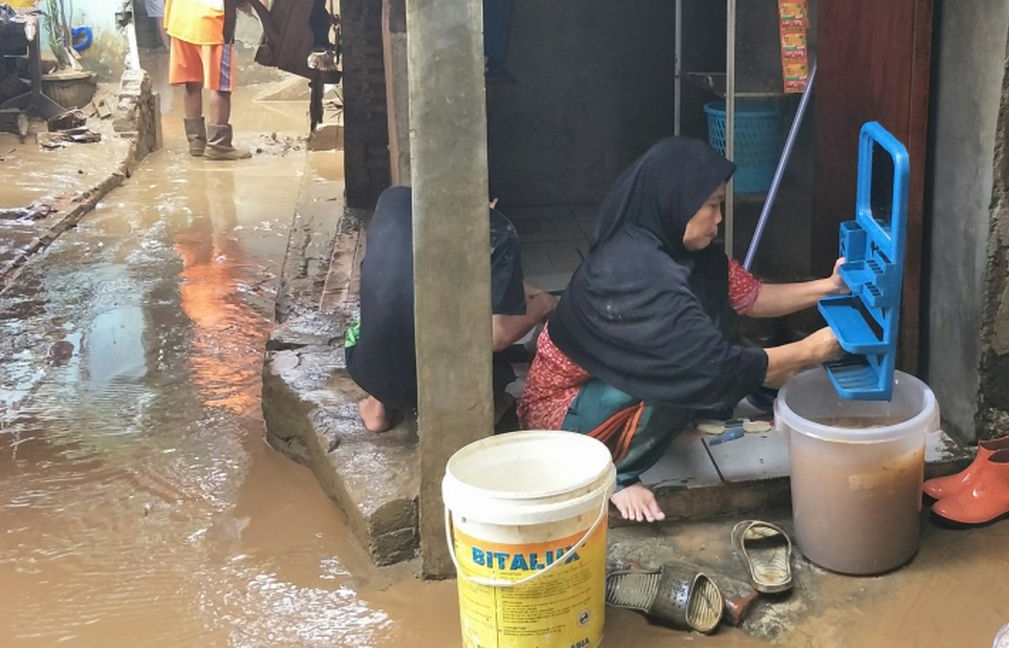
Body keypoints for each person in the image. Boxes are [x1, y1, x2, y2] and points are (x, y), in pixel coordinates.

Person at [518, 137, 847, 522]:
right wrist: (811, 350)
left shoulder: (684, 251)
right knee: (685, 371)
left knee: (706, 349)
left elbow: (752, 297)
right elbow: (703, 366)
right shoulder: (633, 270)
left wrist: (829, 286)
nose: (719, 218)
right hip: (557, 416)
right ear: (675, 202)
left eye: (719, 204)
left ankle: (639, 432)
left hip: (603, 385)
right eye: (711, 206)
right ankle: (617, 477)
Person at [345, 187, 557, 433]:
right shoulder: (496, 230)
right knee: (471, 334)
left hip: (367, 369)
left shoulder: (394, 201)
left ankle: (377, 405)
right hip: (437, 388)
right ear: (490, 204)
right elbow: (498, 336)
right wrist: (544, 302)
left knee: (389, 307)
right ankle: (470, 413)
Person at [162, 0, 257, 160]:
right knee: (219, 86)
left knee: (192, 83)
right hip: (213, 23)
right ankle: (219, 146)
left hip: (180, 19)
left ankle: (195, 143)